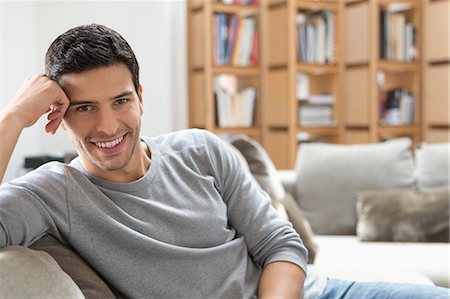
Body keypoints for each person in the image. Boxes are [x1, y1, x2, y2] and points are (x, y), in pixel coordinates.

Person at [0, 24, 447, 299]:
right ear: (57, 115)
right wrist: (13, 117)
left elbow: (282, 246)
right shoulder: (53, 192)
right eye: (84, 107)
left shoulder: (200, 149)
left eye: (120, 101)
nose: (108, 125)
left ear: (141, 97)